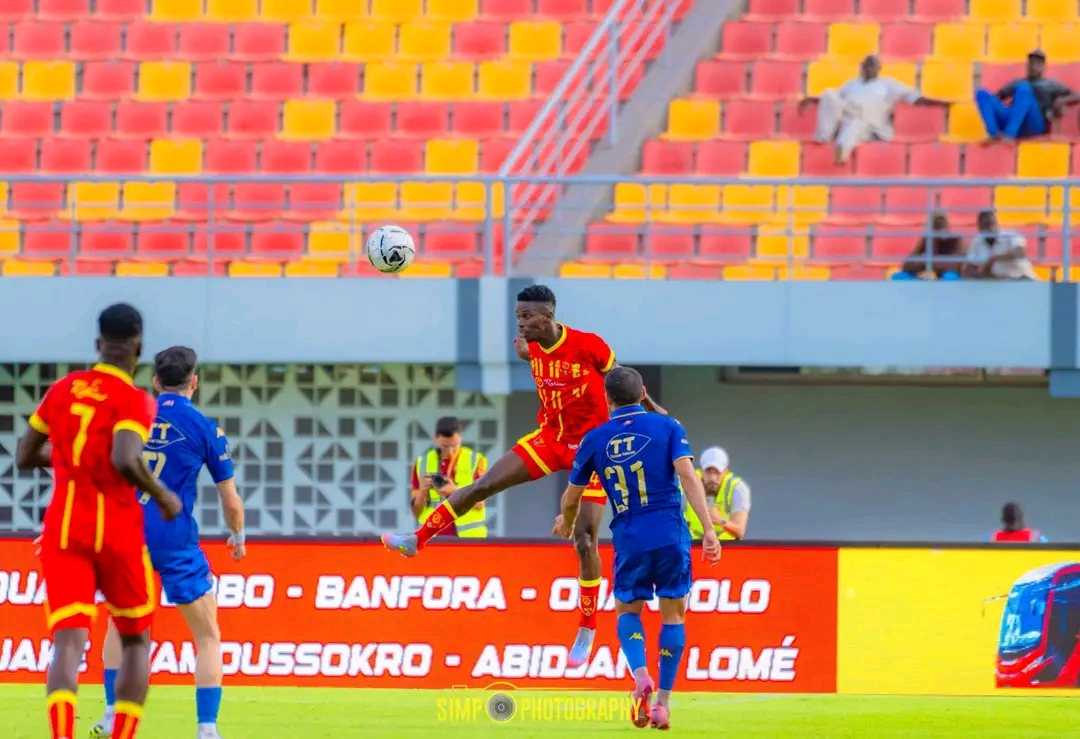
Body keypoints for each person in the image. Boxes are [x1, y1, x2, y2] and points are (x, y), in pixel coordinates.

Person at [382, 284, 667, 668]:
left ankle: (586, 628)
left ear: (548, 317)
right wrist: (525, 350)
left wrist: (652, 409)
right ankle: (417, 539)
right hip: (550, 439)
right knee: (484, 484)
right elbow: (528, 352)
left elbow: (624, 380)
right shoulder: (528, 347)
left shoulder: (588, 345)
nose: (520, 323)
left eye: (527, 316)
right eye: (518, 316)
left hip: (593, 448)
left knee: (585, 539)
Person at [14, 303, 183, 739]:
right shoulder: (134, 400)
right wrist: (163, 494)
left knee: (68, 644)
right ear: (138, 348)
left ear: (97, 344)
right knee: (135, 640)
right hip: (116, 532)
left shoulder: (62, 390)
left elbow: (25, 455)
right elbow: (125, 458)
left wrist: (71, 460)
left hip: (64, 530)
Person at [554, 367, 721, 730]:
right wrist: (708, 529)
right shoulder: (669, 427)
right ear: (643, 393)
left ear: (607, 399)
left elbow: (571, 497)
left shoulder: (595, 439)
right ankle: (662, 703)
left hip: (630, 536)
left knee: (627, 611)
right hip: (671, 532)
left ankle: (641, 674)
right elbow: (687, 476)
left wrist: (567, 521)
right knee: (673, 615)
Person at [90, 346, 245, 739]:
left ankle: (110, 715)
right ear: (195, 382)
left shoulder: (127, 418)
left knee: (120, 627)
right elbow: (231, 501)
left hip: (127, 537)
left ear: (156, 382)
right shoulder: (206, 428)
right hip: (175, 541)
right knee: (207, 636)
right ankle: (206, 729)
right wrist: (237, 536)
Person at [799, 54, 950, 164]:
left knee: (856, 125)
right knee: (829, 93)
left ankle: (842, 150)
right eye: (867, 65)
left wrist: (939, 103)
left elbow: (914, 98)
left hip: (871, 124)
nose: (870, 68)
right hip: (849, 116)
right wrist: (811, 100)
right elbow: (834, 100)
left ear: (879, 69)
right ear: (862, 67)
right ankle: (824, 137)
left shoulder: (888, 84)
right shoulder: (852, 84)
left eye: (873, 66)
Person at [975, 50, 1080, 140]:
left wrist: (1062, 100)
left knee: (1024, 88)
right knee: (981, 93)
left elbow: (1077, 96)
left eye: (1038, 63)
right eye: (1031, 62)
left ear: (1043, 66)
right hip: (1013, 119)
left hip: (1034, 124)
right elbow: (997, 98)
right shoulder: (1017, 83)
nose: (1033, 66)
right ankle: (994, 134)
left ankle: (1009, 134)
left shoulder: (1051, 84)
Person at [410, 416, 488, 537]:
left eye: (454, 446)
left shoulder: (475, 460)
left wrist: (455, 491)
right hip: (432, 539)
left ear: (460, 436)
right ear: (436, 438)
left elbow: (480, 504)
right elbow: (416, 513)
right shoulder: (422, 463)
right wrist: (422, 493)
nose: (450, 451)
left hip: (468, 538)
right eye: (445, 446)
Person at [684, 446, 751, 541]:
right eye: (708, 472)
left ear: (726, 472)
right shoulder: (686, 483)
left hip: (725, 545)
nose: (712, 478)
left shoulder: (737, 488)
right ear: (701, 470)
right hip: (692, 544)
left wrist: (721, 521)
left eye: (717, 472)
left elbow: (740, 531)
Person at [964, 210, 1037, 280]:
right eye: (986, 225)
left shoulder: (1011, 235)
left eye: (992, 224)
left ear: (996, 224)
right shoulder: (977, 241)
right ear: (979, 227)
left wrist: (996, 258)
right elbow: (969, 268)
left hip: (1022, 278)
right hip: (999, 283)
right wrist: (984, 274)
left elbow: (1020, 252)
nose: (990, 228)